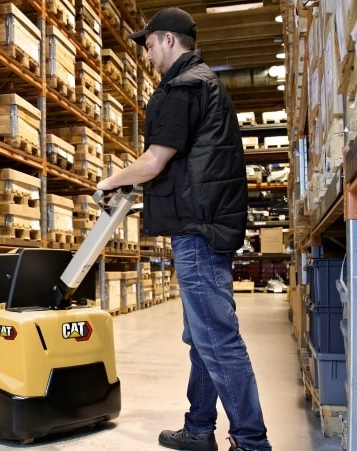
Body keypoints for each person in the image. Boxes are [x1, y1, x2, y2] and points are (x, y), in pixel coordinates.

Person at [96, 7, 272, 451]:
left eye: (150, 44)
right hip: (207, 223)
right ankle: (198, 428)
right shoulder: (203, 83)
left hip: (199, 229)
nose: (147, 54)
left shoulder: (183, 87)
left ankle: (252, 442)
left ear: (169, 40)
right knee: (202, 336)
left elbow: (154, 161)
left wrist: (110, 181)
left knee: (217, 339)